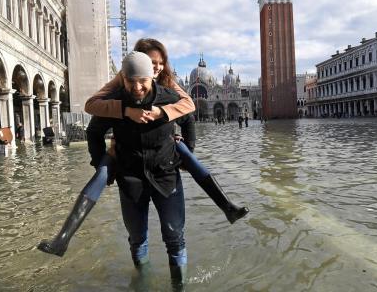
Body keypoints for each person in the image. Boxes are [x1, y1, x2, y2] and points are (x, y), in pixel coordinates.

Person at [37, 40, 248, 256]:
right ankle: (63, 239)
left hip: (164, 162)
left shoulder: (167, 85)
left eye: (159, 63)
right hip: (129, 166)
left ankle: (227, 207)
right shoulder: (122, 83)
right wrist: (125, 112)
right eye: (150, 62)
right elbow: (92, 111)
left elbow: (189, 110)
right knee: (108, 179)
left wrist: (164, 115)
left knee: (181, 156)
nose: (155, 67)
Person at [86, 52, 190, 287]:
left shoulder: (168, 97)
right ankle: (142, 285)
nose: (137, 87)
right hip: (130, 178)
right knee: (137, 239)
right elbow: (93, 132)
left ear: (152, 77)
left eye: (141, 80)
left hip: (166, 176)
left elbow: (188, 118)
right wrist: (100, 164)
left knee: (175, 237)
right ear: (122, 79)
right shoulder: (113, 102)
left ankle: (180, 286)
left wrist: (186, 153)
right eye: (130, 81)